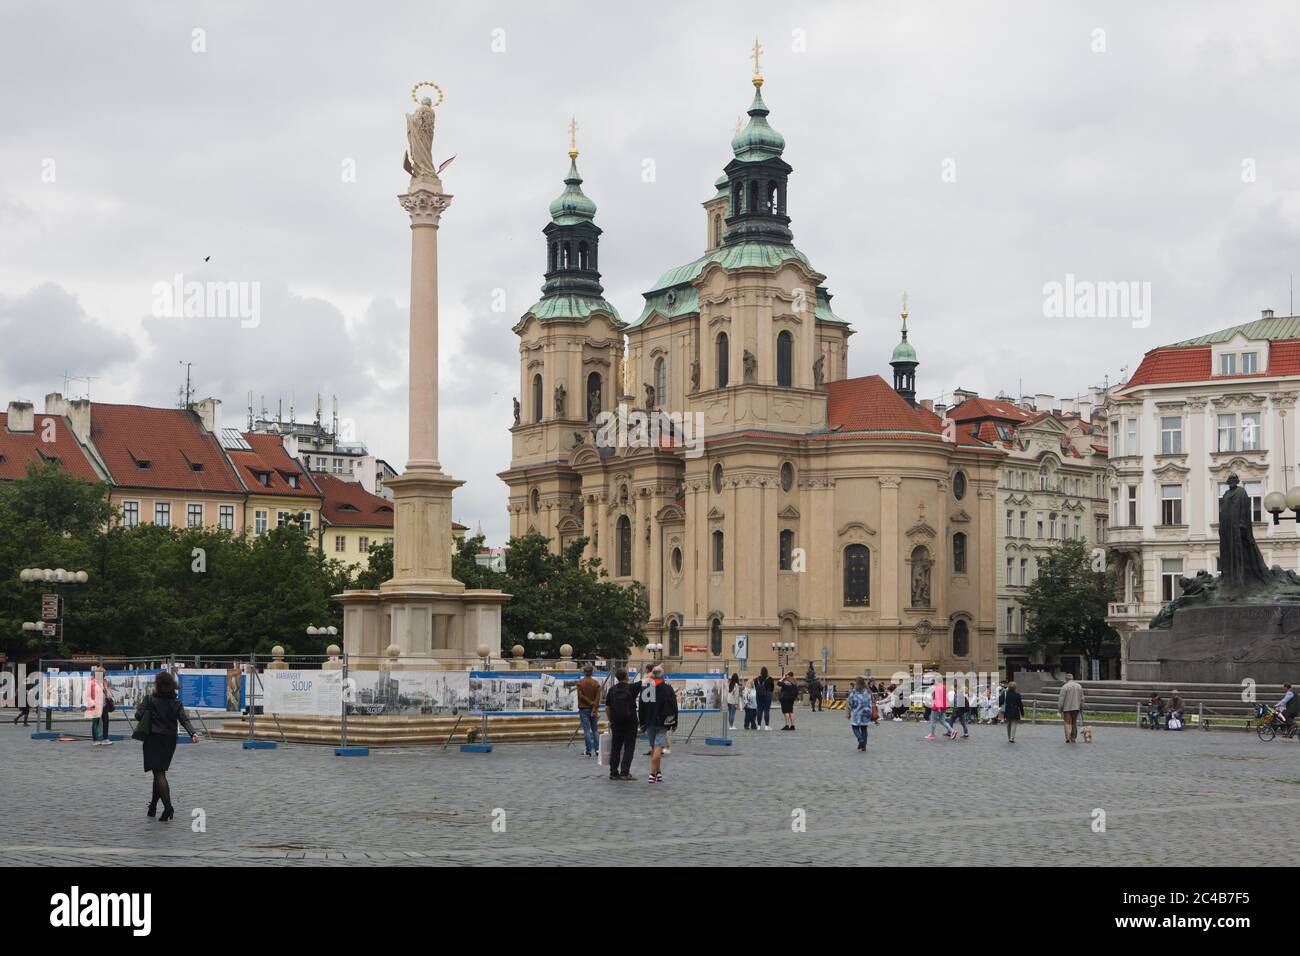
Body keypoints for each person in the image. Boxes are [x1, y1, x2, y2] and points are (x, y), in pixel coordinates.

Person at [135, 671, 198, 821]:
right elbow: (184, 720)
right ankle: (153, 808)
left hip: (153, 739)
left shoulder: (150, 699)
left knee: (158, 774)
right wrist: (193, 733)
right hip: (170, 740)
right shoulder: (176, 702)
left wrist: (141, 707)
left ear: (158, 684)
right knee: (159, 773)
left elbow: (138, 716)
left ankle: (168, 808)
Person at [638, 666, 678, 784]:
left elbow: (642, 706)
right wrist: (675, 722)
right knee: (658, 747)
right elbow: (674, 706)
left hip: (649, 721)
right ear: (663, 676)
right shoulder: (668, 689)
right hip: (663, 721)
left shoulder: (647, 688)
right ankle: (653, 774)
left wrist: (642, 722)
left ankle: (657, 772)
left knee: (654, 746)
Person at [604, 669, 640, 781]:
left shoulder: (612, 690)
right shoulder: (632, 688)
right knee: (629, 747)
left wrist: (611, 721)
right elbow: (645, 680)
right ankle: (625, 772)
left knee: (616, 747)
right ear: (626, 677)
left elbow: (607, 708)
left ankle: (613, 772)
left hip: (616, 722)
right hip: (631, 721)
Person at [576, 665, 601, 757]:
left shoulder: (580, 683)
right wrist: (594, 707)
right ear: (592, 672)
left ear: (584, 672)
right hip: (593, 709)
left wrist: (589, 702)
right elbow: (598, 698)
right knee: (595, 730)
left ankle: (588, 750)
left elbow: (580, 696)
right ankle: (597, 750)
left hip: (583, 708)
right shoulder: (596, 683)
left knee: (586, 730)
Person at [847, 677, 874, 750]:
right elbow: (872, 701)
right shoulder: (868, 691)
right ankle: (864, 746)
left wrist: (848, 713)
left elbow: (850, 703)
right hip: (867, 712)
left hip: (857, 713)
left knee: (855, 727)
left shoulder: (854, 692)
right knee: (864, 729)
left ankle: (860, 739)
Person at [1058, 673, 1084, 743]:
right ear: (1072, 678)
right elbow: (1082, 698)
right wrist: (1081, 707)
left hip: (1067, 708)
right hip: (1076, 707)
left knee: (1067, 723)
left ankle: (1067, 738)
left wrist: (1059, 709)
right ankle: (1073, 738)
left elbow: (1061, 699)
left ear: (1066, 679)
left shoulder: (1065, 687)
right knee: (1074, 722)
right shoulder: (1079, 686)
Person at [90, 672, 114, 746]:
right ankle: (95, 740)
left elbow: (106, 691)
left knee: (106, 721)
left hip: (104, 705)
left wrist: (108, 696)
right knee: (95, 722)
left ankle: (105, 739)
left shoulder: (104, 682)